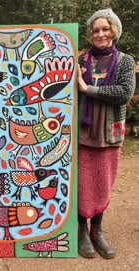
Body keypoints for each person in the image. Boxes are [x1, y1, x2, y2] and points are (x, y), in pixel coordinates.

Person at [77, 9, 136, 259]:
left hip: (109, 132)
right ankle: (81, 229)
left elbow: (124, 92)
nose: (100, 34)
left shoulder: (124, 60)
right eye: (95, 30)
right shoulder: (81, 61)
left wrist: (86, 88)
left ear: (114, 31)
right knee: (81, 182)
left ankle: (97, 229)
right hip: (83, 130)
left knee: (103, 181)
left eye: (105, 29)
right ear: (90, 34)